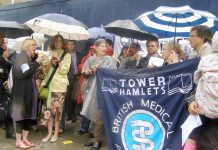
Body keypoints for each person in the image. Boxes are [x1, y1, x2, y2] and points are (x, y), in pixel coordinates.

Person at [81, 38, 117, 150]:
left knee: (98, 115)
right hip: (89, 90)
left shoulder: (109, 60)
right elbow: (84, 72)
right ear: (95, 47)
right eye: (102, 46)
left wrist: (100, 70)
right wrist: (86, 72)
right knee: (91, 114)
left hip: (101, 91)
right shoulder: (90, 59)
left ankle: (98, 140)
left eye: (106, 46)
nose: (105, 48)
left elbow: (114, 74)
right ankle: (94, 137)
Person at [184, 25, 213, 149]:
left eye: (192, 36)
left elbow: (203, 82)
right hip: (197, 102)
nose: (189, 38)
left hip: (206, 107)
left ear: (201, 38)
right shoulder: (194, 52)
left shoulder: (208, 53)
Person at [11, 38, 44, 149]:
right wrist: (37, 63)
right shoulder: (22, 58)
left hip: (29, 91)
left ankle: (24, 139)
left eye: (35, 45)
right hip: (22, 92)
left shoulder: (28, 58)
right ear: (26, 47)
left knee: (28, 115)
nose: (35, 47)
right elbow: (25, 72)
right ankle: (18, 141)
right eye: (32, 45)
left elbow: (29, 73)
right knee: (21, 116)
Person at [41, 34, 71, 143]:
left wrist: (59, 61)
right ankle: (49, 133)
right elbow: (44, 69)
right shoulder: (50, 53)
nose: (58, 43)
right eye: (56, 41)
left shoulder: (67, 55)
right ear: (53, 42)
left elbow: (64, 71)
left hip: (59, 87)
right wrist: (50, 62)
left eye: (60, 41)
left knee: (57, 111)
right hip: (49, 86)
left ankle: (56, 133)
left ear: (63, 43)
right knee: (48, 111)